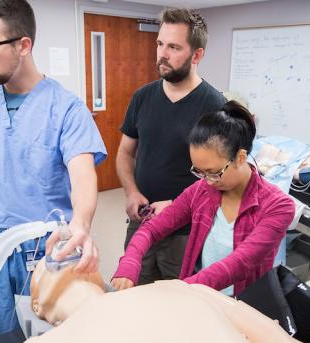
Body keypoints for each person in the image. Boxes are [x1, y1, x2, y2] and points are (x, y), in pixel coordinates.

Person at [0, 0, 106, 335]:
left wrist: (81, 223)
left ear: (23, 45)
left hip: (44, 246)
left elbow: (83, 171)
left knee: (51, 331)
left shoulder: (66, 109)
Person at [112, 101, 296, 296]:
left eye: (214, 172)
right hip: (200, 296)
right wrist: (131, 260)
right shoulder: (201, 191)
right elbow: (151, 229)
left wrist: (180, 289)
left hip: (243, 306)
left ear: (241, 158)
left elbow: (239, 263)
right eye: (199, 172)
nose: (208, 181)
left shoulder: (278, 206)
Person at [116, 7, 226, 285]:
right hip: (141, 222)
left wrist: (178, 206)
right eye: (160, 44)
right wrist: (131, 192)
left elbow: (222, 179)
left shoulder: (215, 108)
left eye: (174, 47)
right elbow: (125, 153)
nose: (162, 53)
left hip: (184, 233)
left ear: (197, 55)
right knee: (134, 295)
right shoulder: (142, 97)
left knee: (177, 303)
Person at [28, 258, 298, 343]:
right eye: (48, 262)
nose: (64, 254)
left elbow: (277, 338)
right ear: (37, 307)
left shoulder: (178, 287)